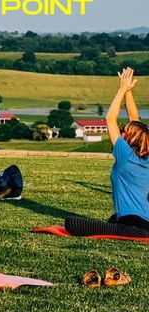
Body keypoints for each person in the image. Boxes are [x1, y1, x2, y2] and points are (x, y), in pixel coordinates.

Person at [64, 68, 149, 238]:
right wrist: (129, 92)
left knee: (72, 223)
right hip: (143, 220)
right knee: (112, 219)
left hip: (133, 223)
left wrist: (122, 90)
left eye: (124, 130)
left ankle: (130, 231)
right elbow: (136, 122)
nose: (121, 131)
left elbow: (110, 119)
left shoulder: (126, 156)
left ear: (130, 139)